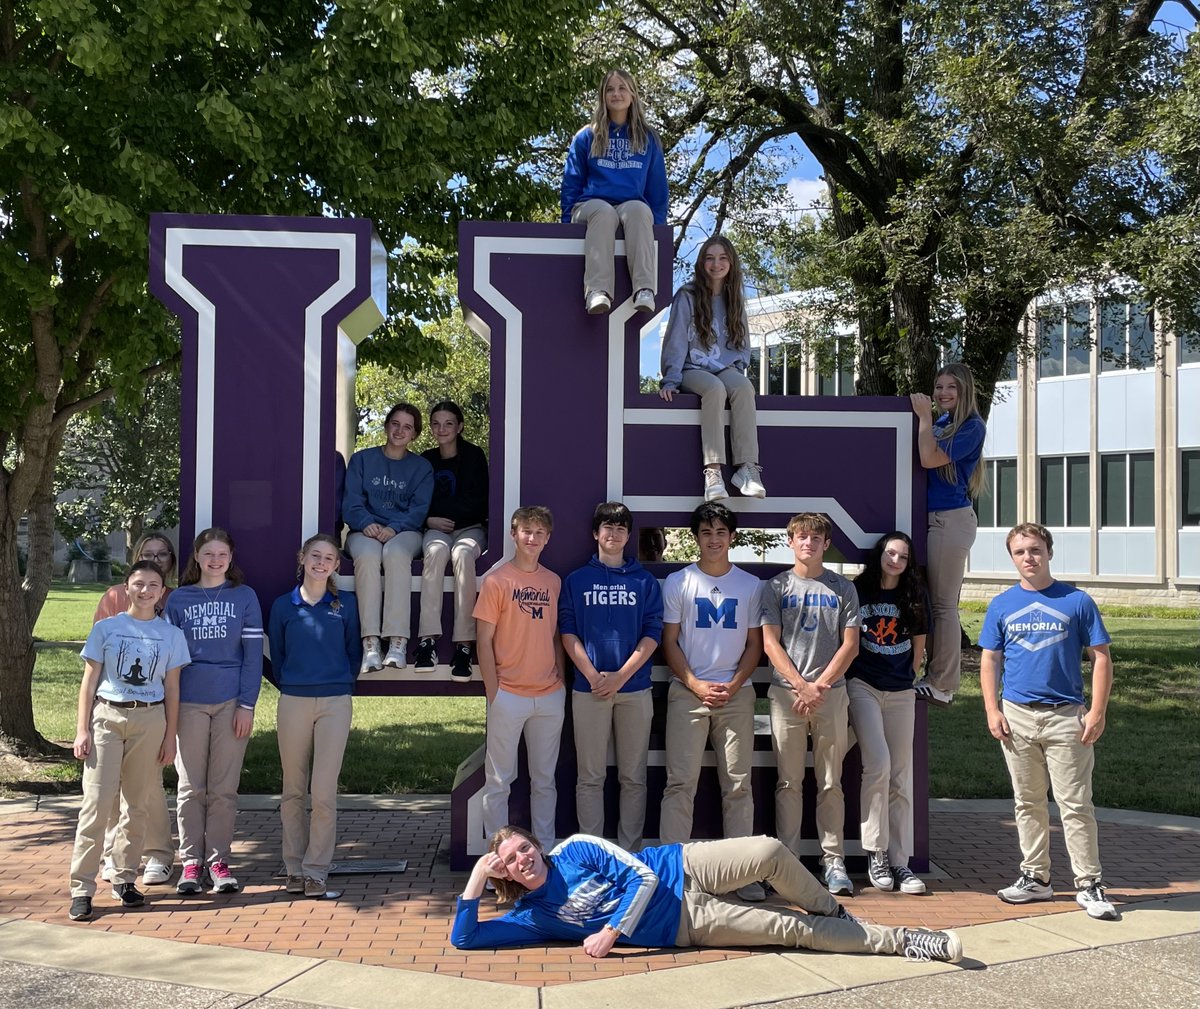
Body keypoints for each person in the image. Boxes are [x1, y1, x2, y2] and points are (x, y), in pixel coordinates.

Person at [450, 826, 963, 965]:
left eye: (525, 847)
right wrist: (476, 878)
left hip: (679, 865)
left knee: (767, 850)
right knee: (788, 930)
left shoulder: (576, 850)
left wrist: (610, 931)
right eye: (512, 859)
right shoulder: (533, 917)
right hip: (683, 924)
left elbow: (641, 879)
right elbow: (466, 940)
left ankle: (839, 915)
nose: (523, 858)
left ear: (538, 846)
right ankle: (901, 940)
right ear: (509, 875)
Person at [980, 523, 1118, 921]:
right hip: (1017, 716)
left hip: (1066, 718)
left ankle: (1089, 883)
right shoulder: (1002, 605)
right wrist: (992, 709)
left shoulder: (1076, 601)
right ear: (1012, 557)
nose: (1029, 557)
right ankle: (1036, 878)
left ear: (1049, 553)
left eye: (1035, 550)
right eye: (1021, 551)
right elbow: (990, 659)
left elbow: (1102, 657)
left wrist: (1097, 711)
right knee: (1027, 802)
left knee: (1075, 804)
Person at [68, 561, 189, 922]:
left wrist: (170, 736)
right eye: (139, 583)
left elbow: (172, 689)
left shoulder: (171, 636)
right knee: (97, 804)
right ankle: (82, 888)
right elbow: (89, 682)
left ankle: (124, 879)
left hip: (150, 719)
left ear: (162, 591)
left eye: (154, 585)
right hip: (108, 716)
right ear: (126, 587)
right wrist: (82, 729)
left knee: (137, 804)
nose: (146, 590)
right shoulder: (108, 628)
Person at [659, 502, 764, 900]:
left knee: (737, 785)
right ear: (697, 538)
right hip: (688, 693)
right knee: (680, 783)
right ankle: (672, 874)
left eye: (721, 532)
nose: (714, 539)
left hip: (736, 694)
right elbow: (669, 641)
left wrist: (735, 684)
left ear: (732, 537)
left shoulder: (751, 586)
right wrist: (696, 684)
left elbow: (756, 645)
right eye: (706, 533)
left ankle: (741, 874)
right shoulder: (678, 582)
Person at [761, 513, 860, 896]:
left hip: (830, 694)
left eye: (815, 538)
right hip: (787, 695)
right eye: (801, 536)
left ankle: (832, 861)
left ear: (825, 543)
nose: (808, 543)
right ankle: (787, 862)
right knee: (788, 781)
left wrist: (819, 685)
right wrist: (800, 685)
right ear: (790, 541)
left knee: (830, 781)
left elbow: (850, 644)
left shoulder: (842, 588)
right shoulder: (776, 587)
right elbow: (770, 643)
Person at [559, 502, 664, 851]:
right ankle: (593, 853)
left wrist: (620, 676)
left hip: (634, 689)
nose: (614, 534)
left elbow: (652, 633)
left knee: (633, 777)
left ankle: (629, 854)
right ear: (595, 533)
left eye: (621, 528)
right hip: (588, 689)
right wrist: (592, 675)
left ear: (628, 536)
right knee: (590, 777)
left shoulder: (644, 582)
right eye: (608, 527)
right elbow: (568, 632)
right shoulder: (576, 580)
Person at [165, 528, 263, 896]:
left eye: (222, 554)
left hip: (230, 703)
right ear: (197, 556)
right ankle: (191, 862)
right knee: (191, 786)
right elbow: (171, 663)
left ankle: (219, 861)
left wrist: (246, 705)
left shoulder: (245, 597)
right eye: (209, 554)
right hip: (188, 702)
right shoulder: (179, 600)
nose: (216, 560)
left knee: (224, 788)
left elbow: (252, 658)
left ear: (231, 557)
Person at [267, 533, 362, 899]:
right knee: (293, 787)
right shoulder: (283, 606)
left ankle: (316, 871)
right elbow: (278, 654)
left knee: (323, 791)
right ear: (302, 559)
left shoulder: (346, 605)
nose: (321, 564)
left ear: (337, 566)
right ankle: (293, 867)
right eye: (315, 556)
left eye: (329, 559)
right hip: (294, 699)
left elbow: (353, 651)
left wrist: (339, 681)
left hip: (336, 702)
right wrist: (297, 682)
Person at [472, 506, 565, 849]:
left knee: (544, 781)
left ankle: (546, 856)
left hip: (550, 694)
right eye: (526, 531)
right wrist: (494, 691)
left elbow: (555, 635)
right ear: (513, 534)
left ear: (548, 539)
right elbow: (483, 640)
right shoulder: (497, 581)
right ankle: (499, 860)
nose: (532, 538)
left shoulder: (552, 581)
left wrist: (561, 683)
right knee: (498, 780)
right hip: (508, 693)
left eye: (539, 533)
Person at [93, 531, 178, 888]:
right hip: (113, 705)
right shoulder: (115, 596)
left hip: (157, 704)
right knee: (109, 787)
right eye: (148, 553)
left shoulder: (176, 600)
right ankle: (115, 854)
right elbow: (96, 657)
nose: (155, 559)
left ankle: (158, 852)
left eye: (162, 555)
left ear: (170, 563)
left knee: (149, 783)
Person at [846, 532, 928, 895]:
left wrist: (909, 674)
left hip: (900, 691)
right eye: (891, 553)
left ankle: (900, 861)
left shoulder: (913, 595)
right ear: (880, 553)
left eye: (903, 557)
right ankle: (875, 852)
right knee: (877, 764)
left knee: (900, 773)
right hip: (863, 684)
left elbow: (920, 640)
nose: (895, 560)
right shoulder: (859, 589)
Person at [659, 236, 765, 503]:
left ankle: (747, 468)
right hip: (692, 369)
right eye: (709, 258)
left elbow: (743, 342)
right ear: (702, 262)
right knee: (715, 390)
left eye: (722, 258)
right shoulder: (687, 295)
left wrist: (739, 366)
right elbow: (675, 339)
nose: (716, 264)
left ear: (731, 262)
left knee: (743, 387)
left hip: (724, 367)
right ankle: (713, 471)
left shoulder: (734, 299)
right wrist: (670, 381)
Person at [561, 69, 668, 316]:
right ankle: (597, 291)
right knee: (604, 211)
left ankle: (644, 290)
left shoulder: (648, 138)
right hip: (590, 206)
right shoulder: (587, 136)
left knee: (640, 209)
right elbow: (571, 183)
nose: (616, 94)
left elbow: (657, 189)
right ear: (603, 96)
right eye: (610, 89)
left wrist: (659, 232)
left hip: (630, 206)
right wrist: (565, 226)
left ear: (632, 94)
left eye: (622, 88)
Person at [910, 363, 986, 706]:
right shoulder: (943, 423)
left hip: (950, 520)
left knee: (943, 605)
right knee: (930, 604)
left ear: (964, 390)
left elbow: (928, 459)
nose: (942, 394)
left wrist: (923, 417)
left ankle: (943, 683)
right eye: (938, 387)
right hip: (930, 519)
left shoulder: (971, 426)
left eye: (950, 388)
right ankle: (930, 674)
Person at [343, 402, 434, 673]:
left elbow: (419, 508)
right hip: (364, 531)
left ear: (415, 434)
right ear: (386, 426)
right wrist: (366, 523)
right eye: (395, 424)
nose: (399, 431)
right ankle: (370, 643)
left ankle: (397, 642)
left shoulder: (421, 468)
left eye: (407, 427)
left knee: (395, 554)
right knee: (369, 556)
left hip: (405, 532)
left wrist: (395, 527)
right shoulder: (362, 460)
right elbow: (351, 502)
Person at [413, 400, 489, 678]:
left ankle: (464, 645)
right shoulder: (426, 459)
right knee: (434, 552)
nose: (441, 428)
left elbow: (480, 502)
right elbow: (417, 501)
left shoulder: (474, 456)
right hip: (436, 529)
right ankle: (427, 640)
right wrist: (427, 520)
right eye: (435, 423)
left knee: (463, 555)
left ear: (459, 427)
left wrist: (446, 514)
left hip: (470, 529)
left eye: (448, 423)